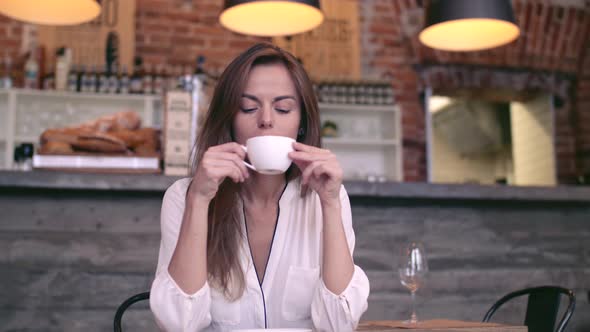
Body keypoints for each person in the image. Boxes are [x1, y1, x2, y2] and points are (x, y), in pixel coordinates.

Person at [150, 42, 370, 332]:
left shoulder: (326, 199)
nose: (266, 120)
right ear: (229, 119)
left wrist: (330, 203)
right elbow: (178, 324)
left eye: (283, 108)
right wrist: (199, 200)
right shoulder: (184, 197)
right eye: (248, 107)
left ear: (301, 123)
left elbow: (340, 324)